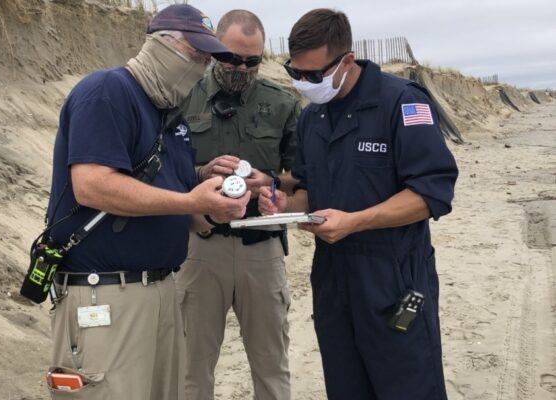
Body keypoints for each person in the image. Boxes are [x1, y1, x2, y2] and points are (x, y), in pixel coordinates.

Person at [44, 5, 251, 399]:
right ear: (161, 44)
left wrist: (215, 201)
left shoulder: (168, 114)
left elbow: (178, 198)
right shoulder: (106, 91)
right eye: (196, 54)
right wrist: (188, 200)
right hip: (103, 296)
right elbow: (93, 185)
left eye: (207, 60)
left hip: (159, 291)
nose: (201, 67)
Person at [258, 8, 458, 400]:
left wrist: (356, 221)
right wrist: (286, 204)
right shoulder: (312, 118)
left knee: (409, 387)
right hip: (333, 279)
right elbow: (309, 188)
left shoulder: (402, 103)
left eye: (314, 75)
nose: (304, 83)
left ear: (347, 61)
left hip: (393, 276)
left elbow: (432, 193)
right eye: (294, 73)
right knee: (346, 386)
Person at [175, 9, 301, 400]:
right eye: (231, 58)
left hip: (261, 249)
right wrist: (200, 173)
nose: (241, 68)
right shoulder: (181, 96)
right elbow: (158, 167)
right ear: (213, 50)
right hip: (198, 246)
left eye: (252, 61)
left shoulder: (282, 104)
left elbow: (303, 175)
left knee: (271, 369)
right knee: (191, 370)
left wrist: (273, 184)